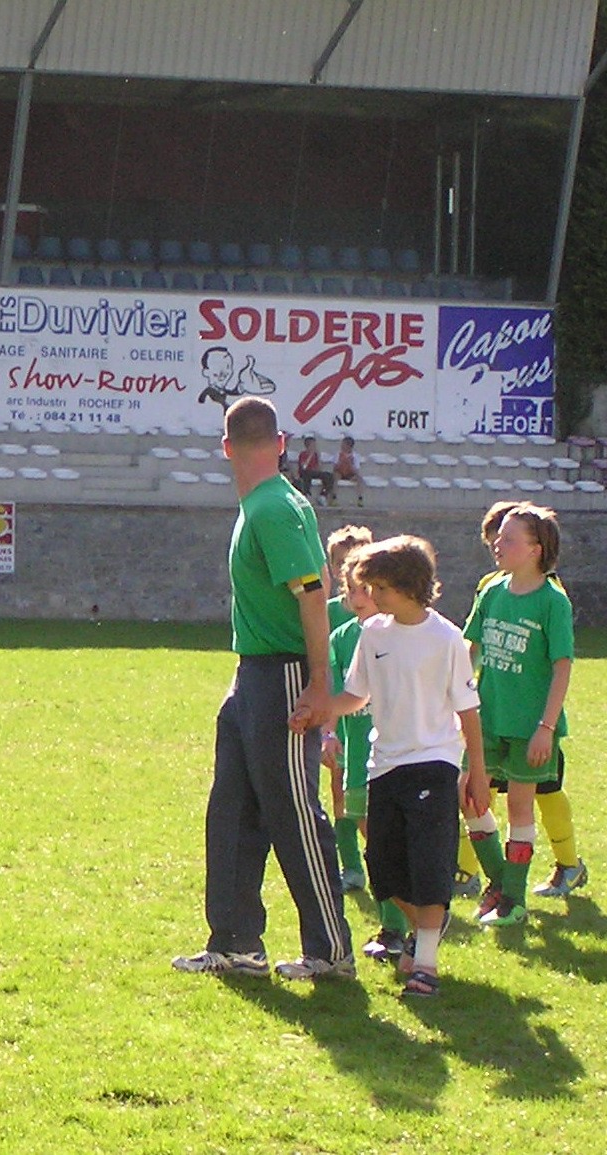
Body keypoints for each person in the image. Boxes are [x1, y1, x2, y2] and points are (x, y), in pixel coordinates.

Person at [174, 396, 354, 980]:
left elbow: (313, 596)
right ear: (280, 443)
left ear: (226, 447)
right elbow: (319, 586)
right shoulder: (266, 503)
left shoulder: (274, 507)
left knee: (294, 811)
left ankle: (330, 951)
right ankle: (236, 943)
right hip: (254, 673)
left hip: (283, 674)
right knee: (232, 807)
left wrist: (319, 684)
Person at [333, 535, 492, 997]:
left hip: (434, 764)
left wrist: (476, 772)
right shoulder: (372, 634)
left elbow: (468, 710)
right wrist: (319, 710)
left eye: (379, 587)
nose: (371, 596)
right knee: (382, 869)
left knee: (428, 865)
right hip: (383, 765)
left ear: (407, 586)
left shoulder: (447, 639)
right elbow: (355, 695)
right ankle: (429, 928)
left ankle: (425, 965)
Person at [464, 502, 587, 903]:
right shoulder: (491, 591)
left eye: (509, 539)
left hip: (530, 725)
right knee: (468, 794)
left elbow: (562, 667)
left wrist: (545, 728)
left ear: (536, 550)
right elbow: (471, 648)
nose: (498, 544)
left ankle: (511, 898)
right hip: (488, 718)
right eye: (498, 537)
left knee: (520, 806)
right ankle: (501, 882)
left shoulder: (553, 602)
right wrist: (454, 697)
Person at [325, 549, 415, 962]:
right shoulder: (343, 638)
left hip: (397, 758)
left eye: (366, 589)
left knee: (388, 844)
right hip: (359, 754)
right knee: (374, 842)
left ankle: (399, 926)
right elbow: (336, 692)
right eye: (351, 589)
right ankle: (405, 922)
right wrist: (327, 731)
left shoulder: (404, 634)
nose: (357, 597)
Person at [320, 524, 373, 891]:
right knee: (340, 787)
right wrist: (327, 728)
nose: (347, 569)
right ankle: (351, 865)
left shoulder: (385, 616)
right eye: (340, 562)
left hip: (375, 718)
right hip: (340, 715)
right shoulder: (329, 615)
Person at [297, 435, 336, 504]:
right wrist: (310, 456)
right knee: (307, 474)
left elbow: (319, 468)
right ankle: (306, 494)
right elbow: (304, 467)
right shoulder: (303, 454)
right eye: (313, 445)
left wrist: (318, 458)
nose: (315, 447)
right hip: (305, 472)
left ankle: (323, 495)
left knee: (328, 475)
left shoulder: (315, 455)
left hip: (314, 472)